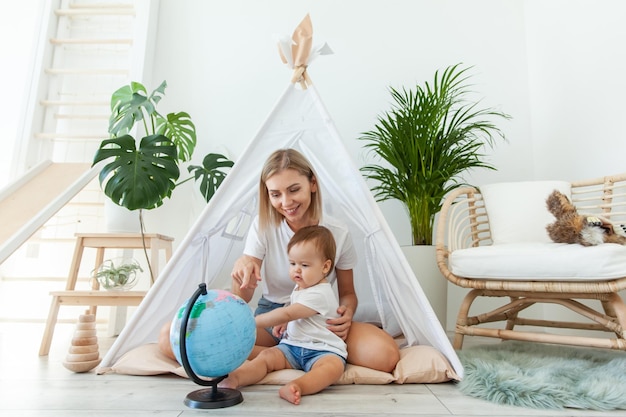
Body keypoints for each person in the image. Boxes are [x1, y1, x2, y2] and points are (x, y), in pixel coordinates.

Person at [158, 148, 399, 373]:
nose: (286, 202)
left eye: (294, 190)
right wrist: (241, 270)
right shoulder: (263, 227)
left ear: (312, 184)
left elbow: (348, 293)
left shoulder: (338, 232)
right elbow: (242, 300)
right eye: (276, 194)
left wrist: (347, 312)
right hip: (272, 318)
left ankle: (283, 356)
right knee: (172, 338)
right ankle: (291, 356)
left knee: (385, 355)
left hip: (317, 318)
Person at [220, 225, 347, 404]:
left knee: (331, 368)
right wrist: (287, 324)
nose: (296, 270)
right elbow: (295, 308)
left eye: (304, 265)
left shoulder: (321, 293)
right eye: (292, 263)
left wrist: (252, 322)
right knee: (266, 357)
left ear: (325, 267)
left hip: (322, 350)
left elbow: (287, 313)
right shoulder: (302, 285)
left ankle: (297, 386)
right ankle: (236, 378)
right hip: (292, 347)